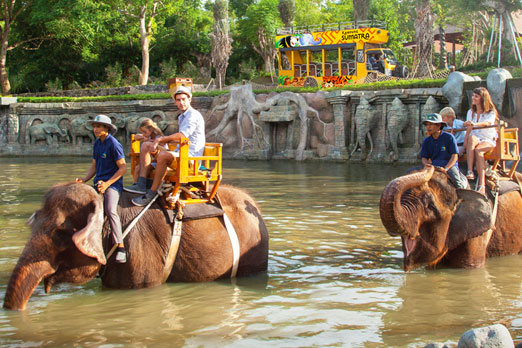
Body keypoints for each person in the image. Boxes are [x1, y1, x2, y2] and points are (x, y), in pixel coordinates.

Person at [130, 86, 205, 206]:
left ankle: (152, 193)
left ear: (190, 99)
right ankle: (141, 184)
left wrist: (161, 139)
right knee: (146, 146)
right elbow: (179, 139)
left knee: (164, 155)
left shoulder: (193, 115)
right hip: (179, 152)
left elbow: (182, 136)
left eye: (183, 99)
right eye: (178, 100)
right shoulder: (182, 117)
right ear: (175, 102)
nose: (181, 102)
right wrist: (158, 142)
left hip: (190, 158)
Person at [75, 114, 127, 263]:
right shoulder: (97, 143)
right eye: (94, 127)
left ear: (107, 128)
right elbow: (94, 166)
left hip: (112, 185)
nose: (95, 129)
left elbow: (123, 168)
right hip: (98, 182)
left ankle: (121, 247)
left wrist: (107, 184)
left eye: (98, 126)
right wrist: (84, 179)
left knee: (111, 210)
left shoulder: (114, 144)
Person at [463, 87, 498, 195]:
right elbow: (469, 127)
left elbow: (488, 123)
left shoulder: (490, 112)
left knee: (478, 150)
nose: (473, 98)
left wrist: (475, 124)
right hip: (475, 138)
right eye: (473, 95)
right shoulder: (470, 112)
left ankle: (481, 184)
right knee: (471, 138)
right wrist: (465, 139)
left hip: (487, 139)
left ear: (482, 99)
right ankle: (470, 171)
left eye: (476, 96)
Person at [420, 113, 469, 189]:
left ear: (439, 125)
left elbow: (454, 156)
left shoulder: (449, 137)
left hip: (449, 166)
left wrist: (446, 168)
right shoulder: (427, 141)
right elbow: (424, 158)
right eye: (427, 125)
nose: (428, 127)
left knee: (459, 184)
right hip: (433, 166)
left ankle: (463, 196)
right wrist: (428, 165)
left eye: (431, 124)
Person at [125, 118, 164, 188]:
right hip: (150, 161)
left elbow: (161, 151)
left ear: (151, 130)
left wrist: (151, 141)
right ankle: (135, 185)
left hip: (158, 162)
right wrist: (142, 136)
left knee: (143, 167)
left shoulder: (159, 138)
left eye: (144, 132)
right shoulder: (147, 136)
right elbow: (136, 137)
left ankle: (141, 185)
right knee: (137, 168)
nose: (143, 134)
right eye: (142, 132)